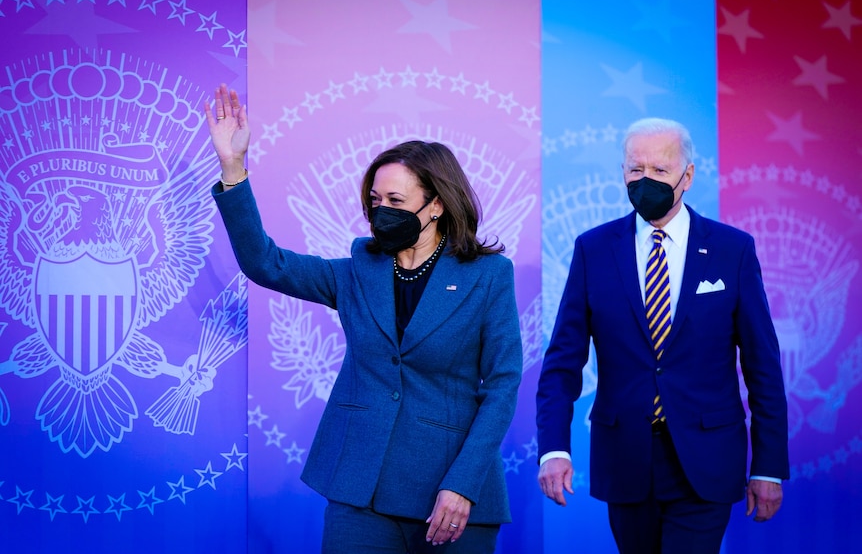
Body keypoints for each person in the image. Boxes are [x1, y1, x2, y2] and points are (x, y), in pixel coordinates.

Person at [205, 84, 522, 553]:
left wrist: (464, 483)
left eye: (396, 201)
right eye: (375, 201)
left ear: (435, 205)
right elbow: (265, 263)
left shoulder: (488, 275)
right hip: (361, 489)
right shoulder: (358, 270)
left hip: (450, 493)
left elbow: (502, 385)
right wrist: (233, 167)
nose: (381, 212)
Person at [535, 117, 789, 553]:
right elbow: (562, 361)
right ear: (623, 173)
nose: (645, 180)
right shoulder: (593, 249)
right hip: (626, 458)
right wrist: (553, 448)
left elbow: (762, 366)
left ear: (687, 176)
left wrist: (768, 466)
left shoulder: (733, 249)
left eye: (660, 171)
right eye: (636, 170)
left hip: (707, 458)